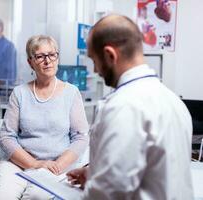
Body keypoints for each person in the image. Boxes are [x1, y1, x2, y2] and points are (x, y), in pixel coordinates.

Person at [66, 14, 193, 199]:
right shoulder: (173, 101)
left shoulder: (123, 107)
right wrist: (94, 173)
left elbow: (109, 192)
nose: (95, 70)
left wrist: (97, 184)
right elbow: (153, 169)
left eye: (94, 61)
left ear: (110, 55)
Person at [0, 35, 89, 200]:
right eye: (40, 56)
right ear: (30, 62)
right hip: (18, 163)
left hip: (56, 164)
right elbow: (6, 137)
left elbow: (81, 137)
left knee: (36, 196)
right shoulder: (20, 93)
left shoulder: (71, 93)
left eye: (52, 54)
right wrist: (34, 164)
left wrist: (58, 165)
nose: (48, 61)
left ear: (57, 57)